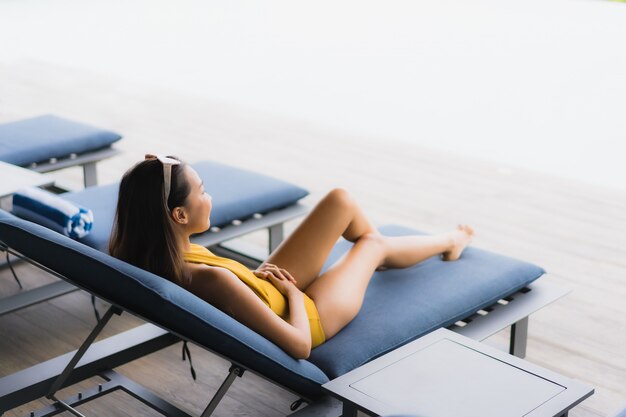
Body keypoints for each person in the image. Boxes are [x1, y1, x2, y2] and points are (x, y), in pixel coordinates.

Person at [110, 155, 474, 359]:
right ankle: (448, 241)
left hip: (269, 290)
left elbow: (234, 296)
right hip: (309, 314)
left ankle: (386, 256)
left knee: (340, 201)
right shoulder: (209, 279)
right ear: (180, 216)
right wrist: (297, 297)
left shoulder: (154, 254)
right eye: (202, 192)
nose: (209, 197)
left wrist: (260, 284)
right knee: (372, 245)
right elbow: (299, 346)